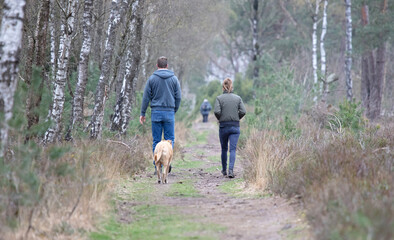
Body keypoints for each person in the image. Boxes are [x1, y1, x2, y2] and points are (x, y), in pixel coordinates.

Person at [140, 56, 181, 174]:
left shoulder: (152, 79)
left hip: (156, 113)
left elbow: (146, 97)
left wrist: (142, 113)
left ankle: (156, 166)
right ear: (167, 66)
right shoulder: (174, 79)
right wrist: (174, 109)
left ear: (157, 65)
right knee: (169, 140)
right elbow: (178, 97)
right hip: (169, 112)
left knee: (156, 141)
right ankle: (167, 164)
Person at [214, 78, 246, 178]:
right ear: (231, 86)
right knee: (232, 149)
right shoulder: (238, 98)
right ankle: (231, 170)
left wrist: (221, 119)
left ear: (223, 86)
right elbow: (243, 111)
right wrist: (237, 118)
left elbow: (216, 112)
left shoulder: (219, 98)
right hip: (235, 127)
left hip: (223, 126)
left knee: (224, 149)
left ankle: (224, 170)